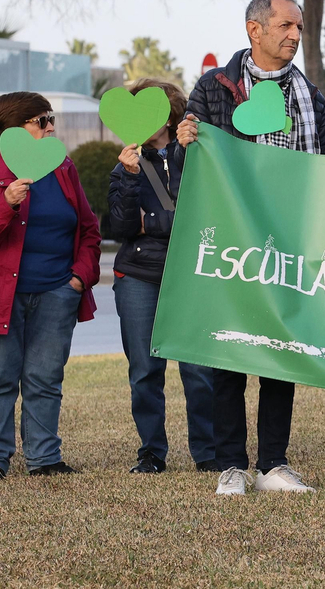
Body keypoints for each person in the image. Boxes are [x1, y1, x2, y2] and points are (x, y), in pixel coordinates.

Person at [176, 0, 325, 496]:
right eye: (287, 26)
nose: (295, 36)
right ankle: (231, 465)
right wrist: (185, 145)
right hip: (231, 243)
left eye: (300, 28)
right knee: (229, 353)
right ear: (255, 30)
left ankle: (273, 464)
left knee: (278, 353)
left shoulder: (308, 96)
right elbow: (192, 172)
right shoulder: (213, 88)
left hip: (290, 240)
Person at [0, 93, 102, 479]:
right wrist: (6, 203)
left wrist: (78, 278)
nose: (51, 127)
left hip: (56, 291)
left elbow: (89, 230)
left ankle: (45, 459)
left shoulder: (63, 169)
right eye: (41, 120)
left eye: (50, 119)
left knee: (46, 378)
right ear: (14, 129)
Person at [105, 78, 217, 475]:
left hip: (190, 272)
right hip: (138, 275)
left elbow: (204, 209)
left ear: (169, 116)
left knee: (199, 369)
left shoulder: (195, 151)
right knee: (144, 371)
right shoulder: (126, 165)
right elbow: (118, 227)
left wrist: (150, 222)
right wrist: (131, 177)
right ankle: (151, 452)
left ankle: (208, 452)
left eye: (149, 111)